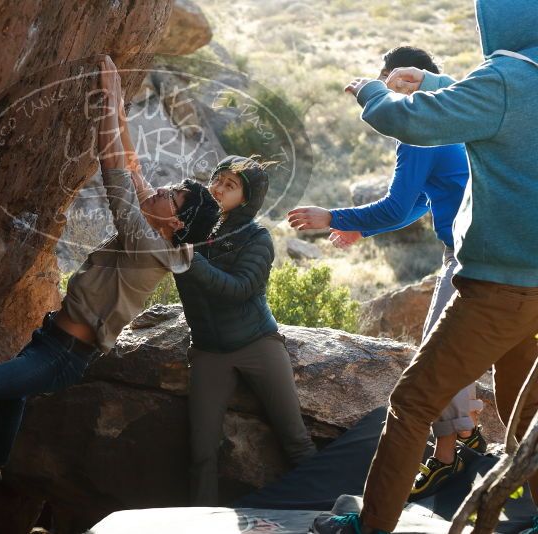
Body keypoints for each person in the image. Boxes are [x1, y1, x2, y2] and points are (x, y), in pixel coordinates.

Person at [0, 55, 221, 483]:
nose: (160, 189)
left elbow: (112, 165)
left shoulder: (147, 245)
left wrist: (106, 101)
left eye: (170, 195)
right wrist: (117, 106)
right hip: (52, 337)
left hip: (63, 355)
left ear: (174, 223)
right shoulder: (158, 232)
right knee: (13, 397)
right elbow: (133, 168)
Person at [312, 0, 538, 532]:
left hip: (499, 287)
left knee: (412, 405)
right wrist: (436, 81)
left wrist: (374, 91)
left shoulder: (505, 78)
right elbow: (499, 106)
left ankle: (370, 527)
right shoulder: (515, 81)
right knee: (524, 413)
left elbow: (408, 122)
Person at [287, 46, 486, 501]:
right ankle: (467, 434)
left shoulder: (420, 131)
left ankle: (448, 455)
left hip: (469, 258)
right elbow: (417, 202)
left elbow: (398, 206)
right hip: (478, 252)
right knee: (455, 347)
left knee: (440, 353)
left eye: (393, 83)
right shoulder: (451, 121)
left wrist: (331, 216)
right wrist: (356, 227)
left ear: (410, 83)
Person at [169, 154, 317, 505]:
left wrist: (190, 258)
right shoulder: (191, 229)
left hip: (257, 344)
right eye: (217, 180)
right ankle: (201, 527)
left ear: (246, 199)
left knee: (296, 439)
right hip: (207, 351)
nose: (218, 189)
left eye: (230, 185)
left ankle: (325, 514)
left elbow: (240, 289)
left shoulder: (257, 238)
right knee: (201, 453)